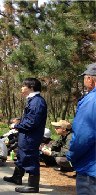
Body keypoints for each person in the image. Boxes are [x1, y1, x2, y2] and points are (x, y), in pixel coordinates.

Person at [3, 78, 47, 193]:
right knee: (21, 156)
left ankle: (33, 186)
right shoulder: (33, 101)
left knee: (30, 158)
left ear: (31, 87)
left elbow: (32, 122)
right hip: (26, 135)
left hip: (31, 137)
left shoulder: (37, 102)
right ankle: (17, 177)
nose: (22, 88)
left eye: (23, 86)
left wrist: (16, 126)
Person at [67, 62, 96, 195]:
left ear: (90, 79)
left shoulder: (91, 101)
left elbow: (83, 137)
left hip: (91, 168)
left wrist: (71, 156)